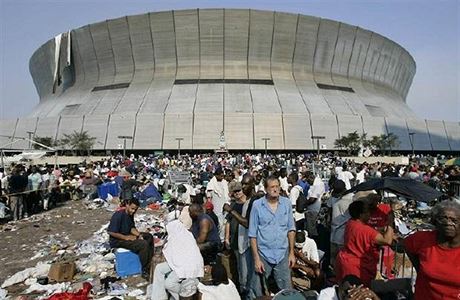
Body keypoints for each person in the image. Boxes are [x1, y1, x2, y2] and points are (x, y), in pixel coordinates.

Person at [248, 175, 296, 297]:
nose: (275, 189)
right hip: (263, 253)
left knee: (286, 291)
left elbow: (291, 229)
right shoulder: (257, 205)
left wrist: (291, 253)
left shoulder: (286, 204)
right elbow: (252, 234)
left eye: (277, 186)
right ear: (266, 189)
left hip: (282, 253)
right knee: (257, 291)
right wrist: (256, 259)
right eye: (272, 187)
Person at [403, 201, 460, 300]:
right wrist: (420, 269)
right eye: (443, 219)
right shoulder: (422, 239)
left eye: (454, 220)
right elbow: (407, 246)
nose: (448, 223)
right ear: (435, 221)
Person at [335, 200, 394, 287]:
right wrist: (390, 222)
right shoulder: (364, 230)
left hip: (345, 262)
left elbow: (370, 232)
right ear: (361, 215)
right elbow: (387, 240)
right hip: (357, 268)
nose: (369, 215)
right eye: (367, 213)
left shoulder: (351, 223)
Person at [150, 220, 203, 300]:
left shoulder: (182, 236)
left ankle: (184, 296)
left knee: (169, 284)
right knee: (159, 268)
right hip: (179, 263)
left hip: (188, 267)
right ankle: (159, 297)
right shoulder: (181, 235)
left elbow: (169, 252)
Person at [107, 198, 153, 278]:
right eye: (132, 209)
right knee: (143, 244)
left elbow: (131, 228)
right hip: (118, 240)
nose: (133, 211)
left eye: (135, 210)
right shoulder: (118, 215)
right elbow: (111, 232)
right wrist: (126, 237)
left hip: (127, 235)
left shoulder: (130, 215)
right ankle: (145, 269)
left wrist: (139, 235)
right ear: (127, 205)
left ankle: (149, 261)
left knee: (148, 237)